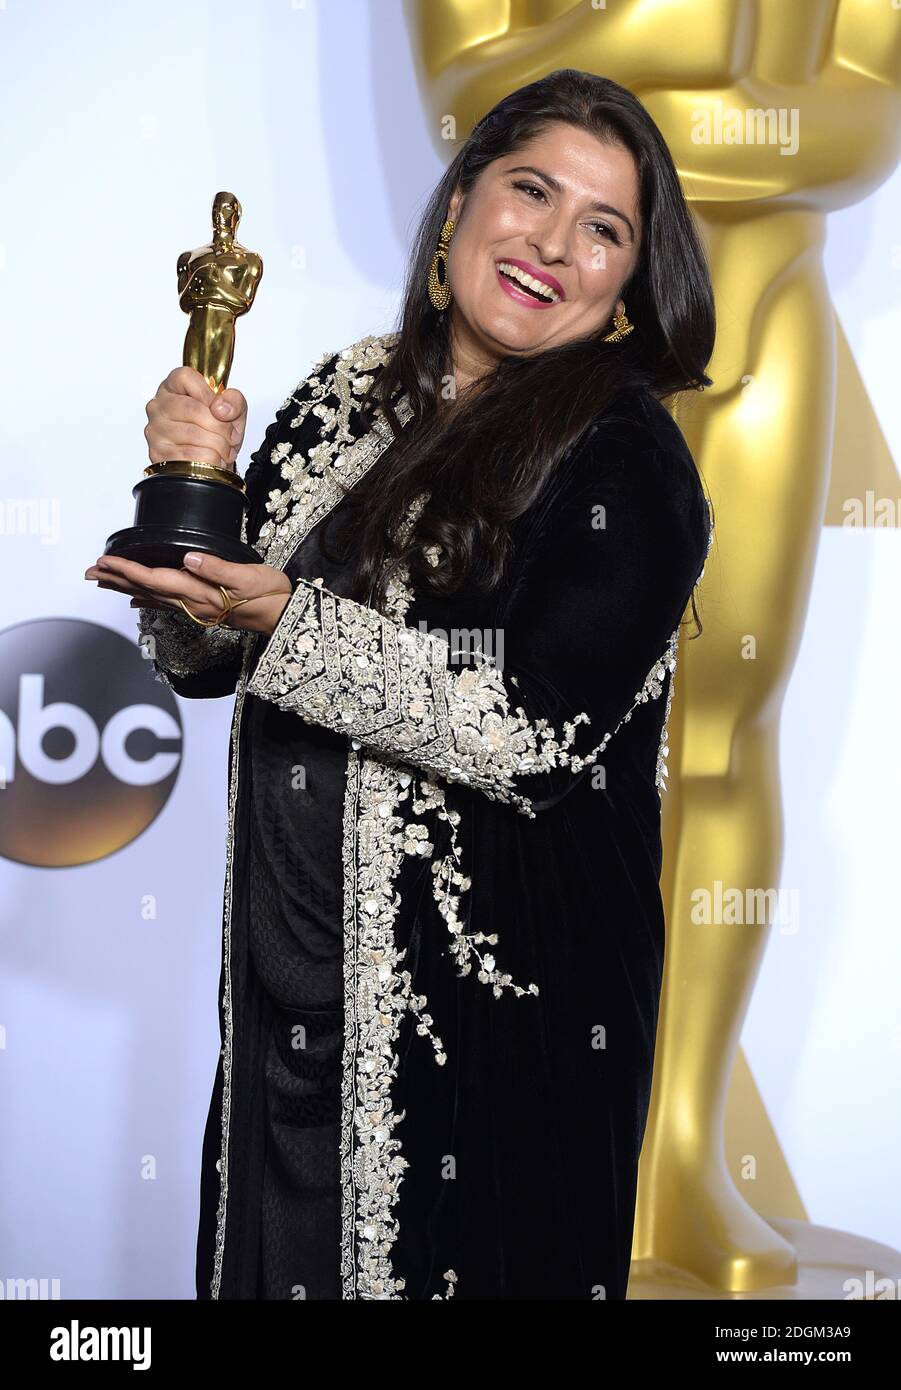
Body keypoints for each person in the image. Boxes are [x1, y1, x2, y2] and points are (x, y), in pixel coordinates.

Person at [84, 69, 715, 1301]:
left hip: (489, 1029)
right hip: (292, 987)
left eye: (603, 229)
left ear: (631, 284)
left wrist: (286, 618)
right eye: (530, 191)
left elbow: (529, 729)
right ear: (459, 199)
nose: (552, 244)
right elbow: (211, 654)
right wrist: (191, 499)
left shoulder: (625, 457)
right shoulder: (345, 395)